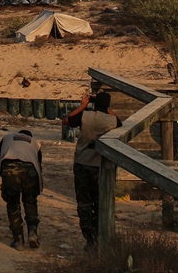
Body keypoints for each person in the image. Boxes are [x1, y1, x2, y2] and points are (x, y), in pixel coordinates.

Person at [64, 89, 121, 247]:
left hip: (82, 162)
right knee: (100, 202)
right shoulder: (111, 120)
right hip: (101, 165)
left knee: (84, 203)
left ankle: (89, 237)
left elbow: (67, 120)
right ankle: (100, 236)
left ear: (94, 103)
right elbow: (120, 122)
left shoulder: (85, 116)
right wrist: (105, 107)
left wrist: (84, 105)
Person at [0, 129, 43, 248]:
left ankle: (18, 240)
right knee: (30, 202)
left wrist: (2, 176)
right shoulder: (35, 143)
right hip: (30, 171)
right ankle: (32, 234)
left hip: (10, 169)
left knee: (13, 204)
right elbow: (38, 163)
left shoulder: (7, 137)